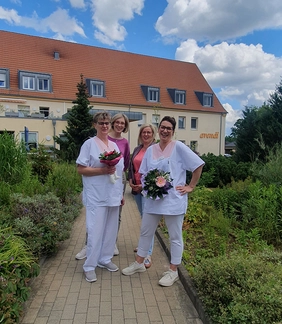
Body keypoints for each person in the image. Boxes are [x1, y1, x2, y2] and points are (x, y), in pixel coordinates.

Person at [122, 116, 204, 287]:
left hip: (173, 200)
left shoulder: (179, 147)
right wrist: (145, 187)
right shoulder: (151, 150)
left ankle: (173, 271)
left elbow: (198, 165)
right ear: (158, 129)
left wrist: (191, 186)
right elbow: (144, 173)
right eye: (162, 127)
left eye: (169, 128)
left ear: (173, 131)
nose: (165, 130)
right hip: (153, 199)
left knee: (175, 236)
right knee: (146, 231)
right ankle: (139, 263)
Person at [76, 111, 124, 282]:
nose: (105, 126)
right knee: (95, 230)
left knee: (111, 230)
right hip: (96, 195)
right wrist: (102, 171)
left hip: (112, 194)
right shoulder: (89, 144)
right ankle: (89, 265)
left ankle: (105, 259)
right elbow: (81, 169)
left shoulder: (114, 146)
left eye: (107, 123)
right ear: (94, 124)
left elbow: (119, 171)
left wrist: (120, 194)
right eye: (101, 123)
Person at [128, 124, 156, 268]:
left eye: (148, 132)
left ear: (153, 134)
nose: (146, 134)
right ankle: (142, 246)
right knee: (142, 217)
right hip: (137, 188)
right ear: (140, 134)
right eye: (143, 132)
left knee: (148, 221)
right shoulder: (137, 149)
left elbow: (157, 171)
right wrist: (131, 180)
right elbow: (132, 166)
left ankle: (147, 253)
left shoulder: (156, 149)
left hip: (148, 190)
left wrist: (144, 186)